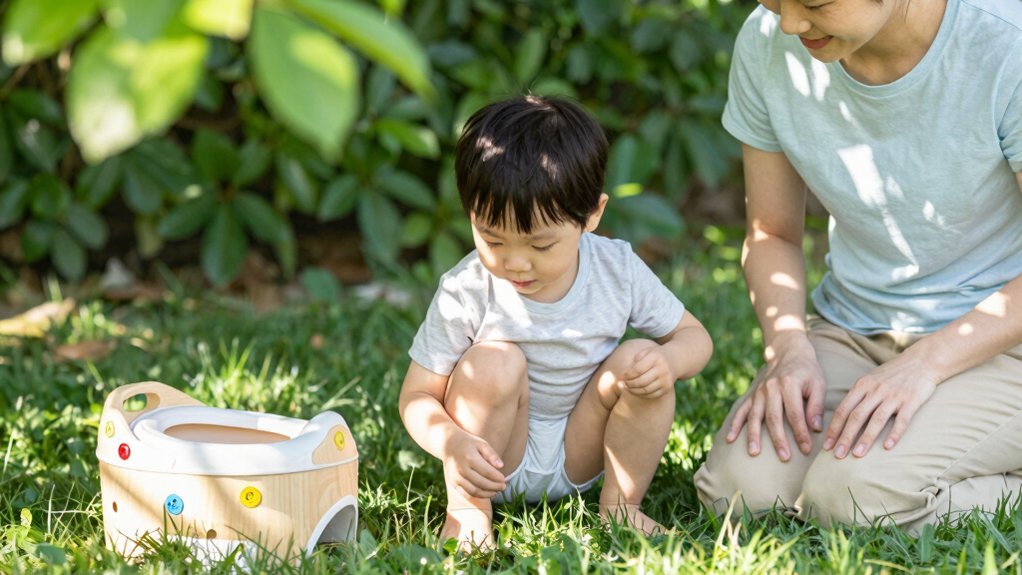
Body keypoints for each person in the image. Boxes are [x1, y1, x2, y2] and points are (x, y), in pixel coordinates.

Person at [694, 0, 1022, 533]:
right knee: (739, 492)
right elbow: (771, 233)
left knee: (853, 498)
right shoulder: (767, 41)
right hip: (856, 327)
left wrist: (926, 364)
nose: (791, 24)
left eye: (815, 4)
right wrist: (789, 349)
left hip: (1002, 341)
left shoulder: (1007, 47)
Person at [399, 95, 713, 549]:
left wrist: (669, 360)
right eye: (492, 239)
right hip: (492, 459)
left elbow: (694, 337)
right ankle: (468, 512)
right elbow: (417, 396)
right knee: (493, 362)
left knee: (640, 359)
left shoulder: (616, 270)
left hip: (581, 452)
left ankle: (622, 508)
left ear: (592, 215)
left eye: (541, 246)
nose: (516, 263)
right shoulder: (466, 288)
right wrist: (451, 442)